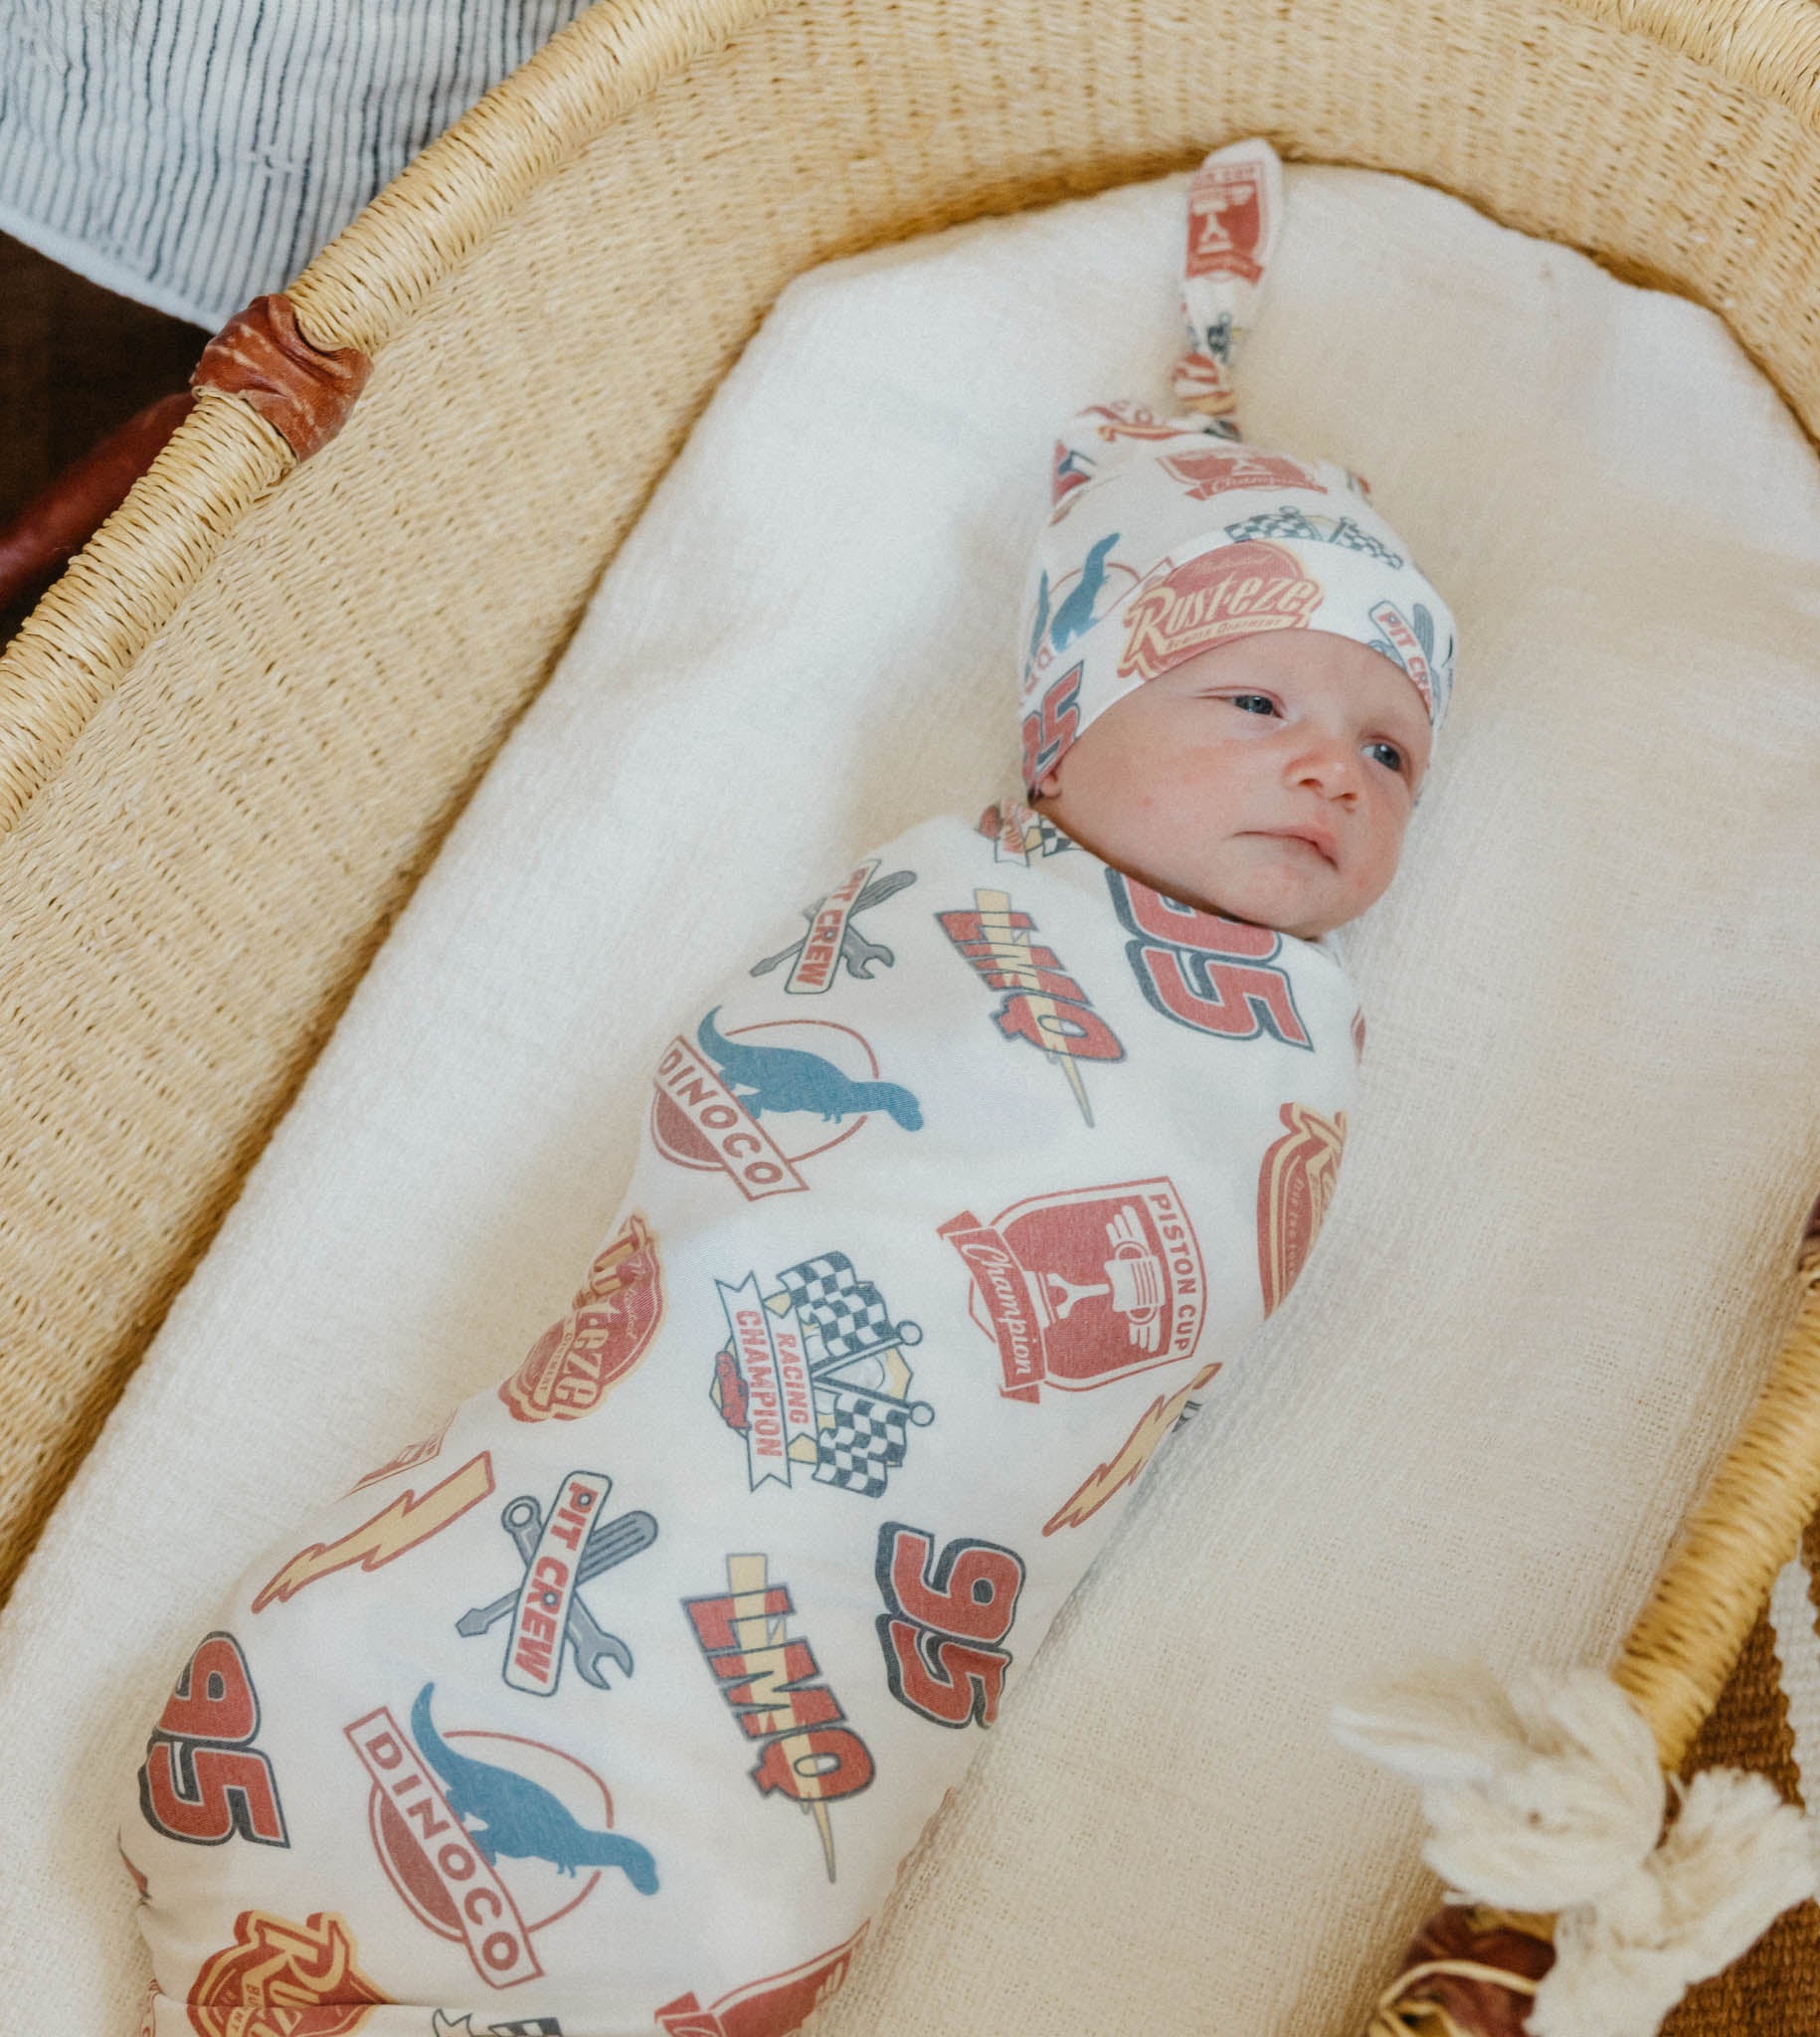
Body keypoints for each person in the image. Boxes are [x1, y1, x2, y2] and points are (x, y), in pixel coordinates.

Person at [122, 138, 1455, 2037]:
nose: (1332, 768)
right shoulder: (956, 898)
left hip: (872, 1584)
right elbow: (743, 1120)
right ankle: (320, 1792)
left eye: (1391, 753)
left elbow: (1178, 1314)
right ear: (1070, 728)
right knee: (572, 1524)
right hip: (683, 1420)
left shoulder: (1295, 1041)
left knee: (762, 1824)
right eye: (1257, 703)